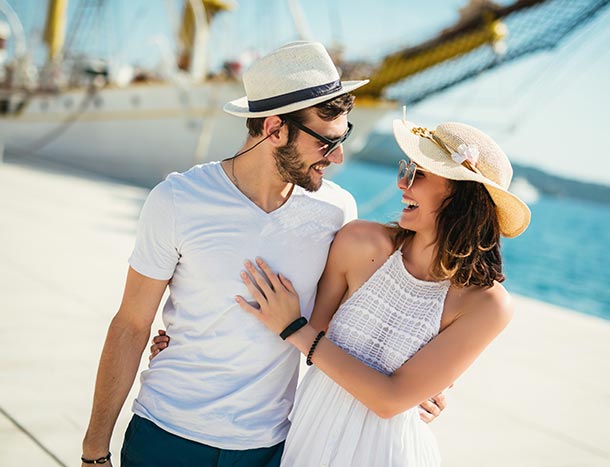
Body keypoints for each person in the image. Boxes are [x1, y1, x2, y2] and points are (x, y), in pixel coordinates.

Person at [81, 41, 443, 467]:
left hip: (270, 449)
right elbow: (131, 323)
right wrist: (93, 451)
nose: (338, 155)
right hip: (166, 435)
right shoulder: (178, 199)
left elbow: (348, 326)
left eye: (343, 137)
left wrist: (417, 384)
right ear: (274, 129)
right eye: (327, 142)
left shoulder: (337, 211)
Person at [226, 118, 531, 465]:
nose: (402, 183)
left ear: (462, 196)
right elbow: (317, 335)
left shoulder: (487, 305)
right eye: (407, 170)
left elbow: (390, 400)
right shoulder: (358, 241)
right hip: (310, 437)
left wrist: (294, 329)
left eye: (419, 174)